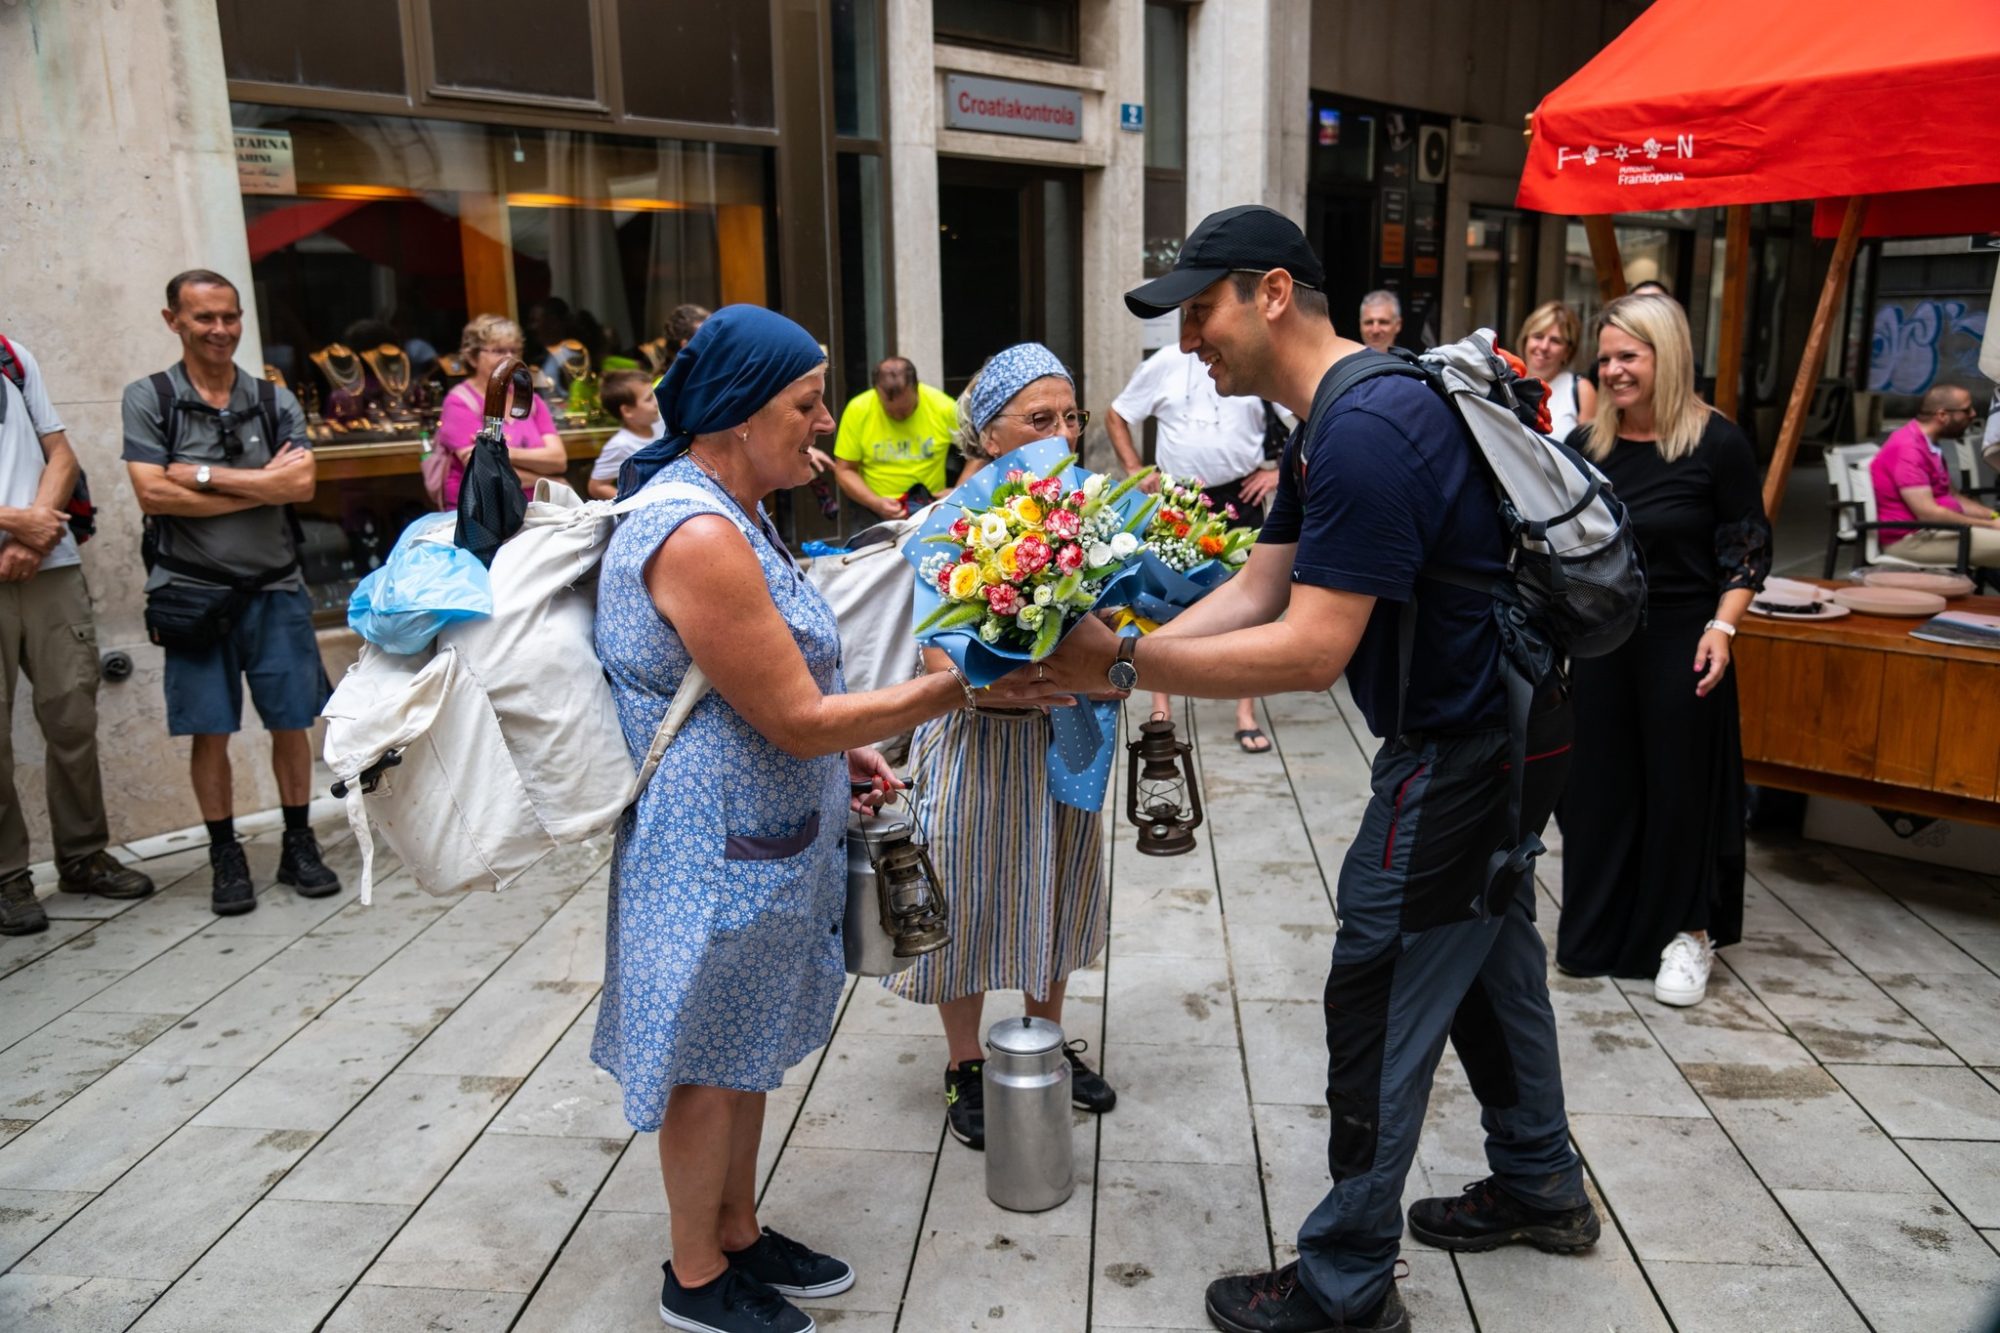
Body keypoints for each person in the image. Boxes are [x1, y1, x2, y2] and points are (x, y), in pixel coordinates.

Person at [1038, 205, 1598, 1333]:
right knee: (1487, 959)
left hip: (1459, 753)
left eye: (1201, 310)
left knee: (1378, 988)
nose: (1188, 341)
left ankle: (1344, 1282)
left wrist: (1124, 661)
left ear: (1273, 293)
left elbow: (1310, 648)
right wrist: (1125, 654)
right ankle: (1540, 1178)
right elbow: (1260, 587)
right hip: (1507, 731)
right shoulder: (1330, 417)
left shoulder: (1365, 428)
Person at [592, 307, 1058, 1333]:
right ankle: (694, 1275)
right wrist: (961, 687)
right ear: (737, 413)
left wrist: (845, 750)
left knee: (746, 1042)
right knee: (704, 1063)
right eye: (806, 404)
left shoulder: (738, 508)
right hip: (709, 848)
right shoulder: (698, 533)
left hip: (760, 828)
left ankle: (739, 1231)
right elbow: (794, 715)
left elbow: (762, 691)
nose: (822, 424)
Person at [883, 343, 1119, 1151]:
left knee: (1056, 879)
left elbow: (1113, 621)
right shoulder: (951, 521)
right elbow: (936, 656)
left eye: (1070, 416)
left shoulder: (1088, 513)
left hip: (1063, 730)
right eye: (1039, 418)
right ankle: (966, 1063)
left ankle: (1045, 1041)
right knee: (966, 891)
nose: (1062, 432)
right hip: (975, 740)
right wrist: (995, 680)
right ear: (987, 435)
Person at [1558, 293, 1771, 1006]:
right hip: (1602, 637)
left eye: (1629, 356)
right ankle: (1600, 929)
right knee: (1597, 786)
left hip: (1686, 635)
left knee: (1681, 789)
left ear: (1667, 357)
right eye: (1605, 358)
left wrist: (1724, 627)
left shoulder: (1718, 444)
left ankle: (1689, 934)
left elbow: (1746, 547)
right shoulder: (1586, 446)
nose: (1613, 370)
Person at [122, 270, 342, 916]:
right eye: (203, 318)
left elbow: (300, 487)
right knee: (210, 730)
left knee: (292, 722)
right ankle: (226, 853)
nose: (220, 330)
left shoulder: (273, 400)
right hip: (193, 595)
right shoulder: (150, 397)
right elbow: (151, 493)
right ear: (173, 321)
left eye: (230, 316)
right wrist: (259, 484)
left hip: (277, 588)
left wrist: (201, 476)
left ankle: (299, 843)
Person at [0, 337, 155, 934]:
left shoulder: (11, 355)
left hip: (52, 567)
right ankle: (7, 876)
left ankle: (83, 856)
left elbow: (60, 454)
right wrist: (20, 522)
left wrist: (36, 534)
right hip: (31, 542)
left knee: (72, 715)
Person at [1107, 343, 1280, 752]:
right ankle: (1161, 706)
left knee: (1251, 602)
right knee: (1160, 600)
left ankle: (1245, 712)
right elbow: (1117, 414)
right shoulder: (1166, 361)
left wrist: (1277, 473)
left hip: (1240, 495)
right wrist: (1133, 468)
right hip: (1177, 496)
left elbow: (1306, 413)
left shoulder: (1253, 357)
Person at [434, 314, 569, 508]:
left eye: (514, 350)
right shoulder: (459, 402)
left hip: (537, 508)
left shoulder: (530, 400)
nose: (508, 357)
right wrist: (547, 480)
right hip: (483, 512)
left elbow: (558, 460)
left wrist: (496, 452)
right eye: (498, 351)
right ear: (472, 357)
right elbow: (484, 474)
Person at [1867, 383, 2000, 565]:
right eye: (1966, 410)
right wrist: (1990, 525)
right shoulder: (1908, 449)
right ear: (1942, 415)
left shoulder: (1928, 444)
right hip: (1913, 539)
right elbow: (1928, 514)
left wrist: (1994, 517)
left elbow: (1954, 497)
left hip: (1939, 531)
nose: (1973, 414)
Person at [831, 356, 959, 520]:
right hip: (873, 510)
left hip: (930, 506)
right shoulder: (858, 409)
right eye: (890, 411)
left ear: (917, 388)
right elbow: (844, 470)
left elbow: (977, 454)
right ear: (876, 392)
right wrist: (874, 502)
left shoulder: (944, 407)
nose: (898, 416)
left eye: (905, 410)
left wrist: (957, 492)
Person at [1517, 300, 1597, 441]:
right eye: (1538, 336)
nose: (1544, 346)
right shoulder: (1505, 382)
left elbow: (1588, 451)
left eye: (1555, 341)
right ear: (1525, 341)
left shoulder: (1581, 390)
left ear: (1567, 352)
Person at [588, 369, 665, 501]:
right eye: (648, 399)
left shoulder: (662, 424)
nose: (656, 403)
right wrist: (636, 501)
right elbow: (596, 486)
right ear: (627, 411)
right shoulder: (620, 445)